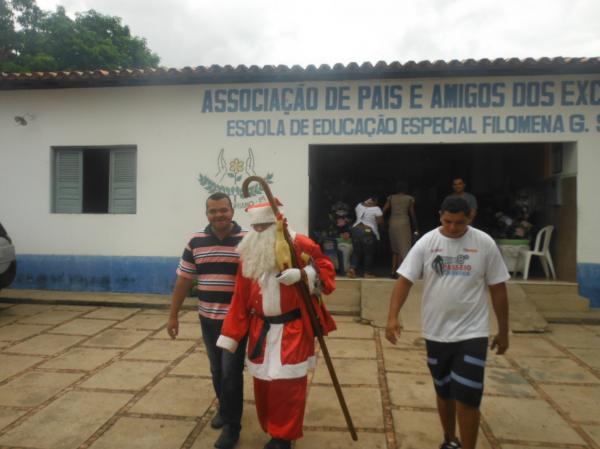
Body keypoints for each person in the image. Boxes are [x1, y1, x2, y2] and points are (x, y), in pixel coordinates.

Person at [385, 197, 509, 449]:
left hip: (473, 332)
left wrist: (503, 331)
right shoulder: (427, 242)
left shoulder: (484, 243)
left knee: (468, 397)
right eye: (448, 221)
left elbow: (498, 288)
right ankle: (449, 439)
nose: (453, 228)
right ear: (440, 215)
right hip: (436, 332)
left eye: (460, 223)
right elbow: (405, 280)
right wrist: (392, 317)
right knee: (444, 391)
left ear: (471, 216)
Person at [216, 200, 337, 449]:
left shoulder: (300, 244)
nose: (259, 231)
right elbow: (240, 298)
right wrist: (232, 335)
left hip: (293, 328)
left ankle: (283, 437)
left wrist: (304, 275)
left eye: (264, 225)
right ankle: (272, 427)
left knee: (288, 386)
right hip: (261, 328)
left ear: (277, 223)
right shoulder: (249, 252)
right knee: (263, 384)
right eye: (255, 226)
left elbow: (327, 272)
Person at [167, 192, 247, 449]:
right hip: (208, 319)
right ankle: (225, 409)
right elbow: (184, 280)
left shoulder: (247, 240)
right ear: (207, 214)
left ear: (232, 211)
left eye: (223, 210)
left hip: (235, 321)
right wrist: (173, 315)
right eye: (213, 211)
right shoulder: (196, 242)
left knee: (231, 373)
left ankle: (233, 427)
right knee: (216, 369)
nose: (218, 215)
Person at [383, 181, 418, 277]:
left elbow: (383, 210)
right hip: (404, 223)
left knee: (395, 249)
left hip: (393, 223)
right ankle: (402, 273)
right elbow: (412, 213)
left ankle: (393, 271)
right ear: (406, 189)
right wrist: (416, 226)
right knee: (404, 248)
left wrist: (383, 222)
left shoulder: (391, 198)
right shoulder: (409, 198)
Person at [347, 196, 383, 278]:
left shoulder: (358, 206)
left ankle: (352, 269)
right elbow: (380, 222)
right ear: (374, 201)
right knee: (368, 253)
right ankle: (367, 273)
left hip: (355, 231)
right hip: (367, 232)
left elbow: (363, 204)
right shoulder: (376, 209)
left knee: (356, 252)